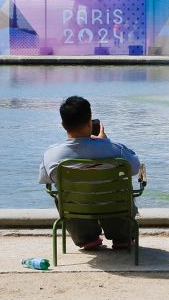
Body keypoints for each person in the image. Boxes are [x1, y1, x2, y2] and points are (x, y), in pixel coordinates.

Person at [39, 96, 142, 251]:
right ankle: (123, 237)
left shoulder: (51, 154)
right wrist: (105, 143)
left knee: (63, 194)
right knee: (120, 190)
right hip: (115, 208)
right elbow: (135, 167)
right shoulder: (115, 150)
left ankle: (86, 238)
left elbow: (46, 180)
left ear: (63, 125)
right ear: (89, 122)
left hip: (77, 211)